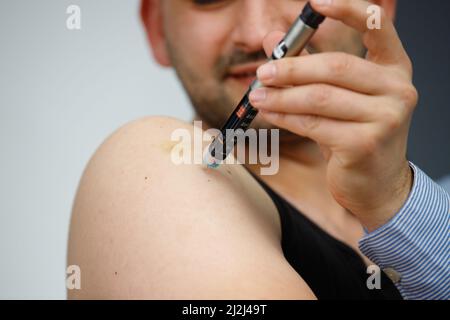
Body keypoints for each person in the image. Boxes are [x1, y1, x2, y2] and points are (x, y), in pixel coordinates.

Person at [67, 0, 449, 300]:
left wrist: (399, 205)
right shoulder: (151, 169)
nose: (257, 34)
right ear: (156, 28)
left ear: (376, 7)